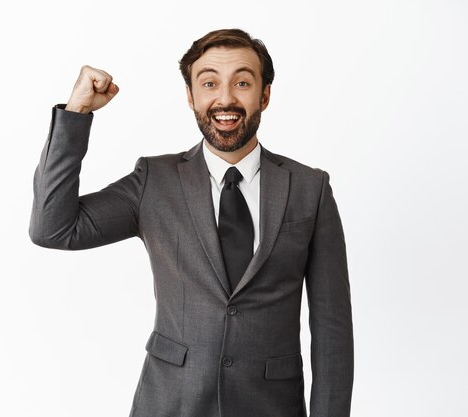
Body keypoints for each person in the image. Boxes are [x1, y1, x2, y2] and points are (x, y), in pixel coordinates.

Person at [29, 28, 354, 417]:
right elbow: (53, 228)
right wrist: (76, 111)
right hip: (170, 403)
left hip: (270, 406)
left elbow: (332, 330)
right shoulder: (154, 180)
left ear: (264, 95)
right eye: (209, 83)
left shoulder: (309, 188)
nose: (226, 98)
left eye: (243, 82)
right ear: (191, 96)